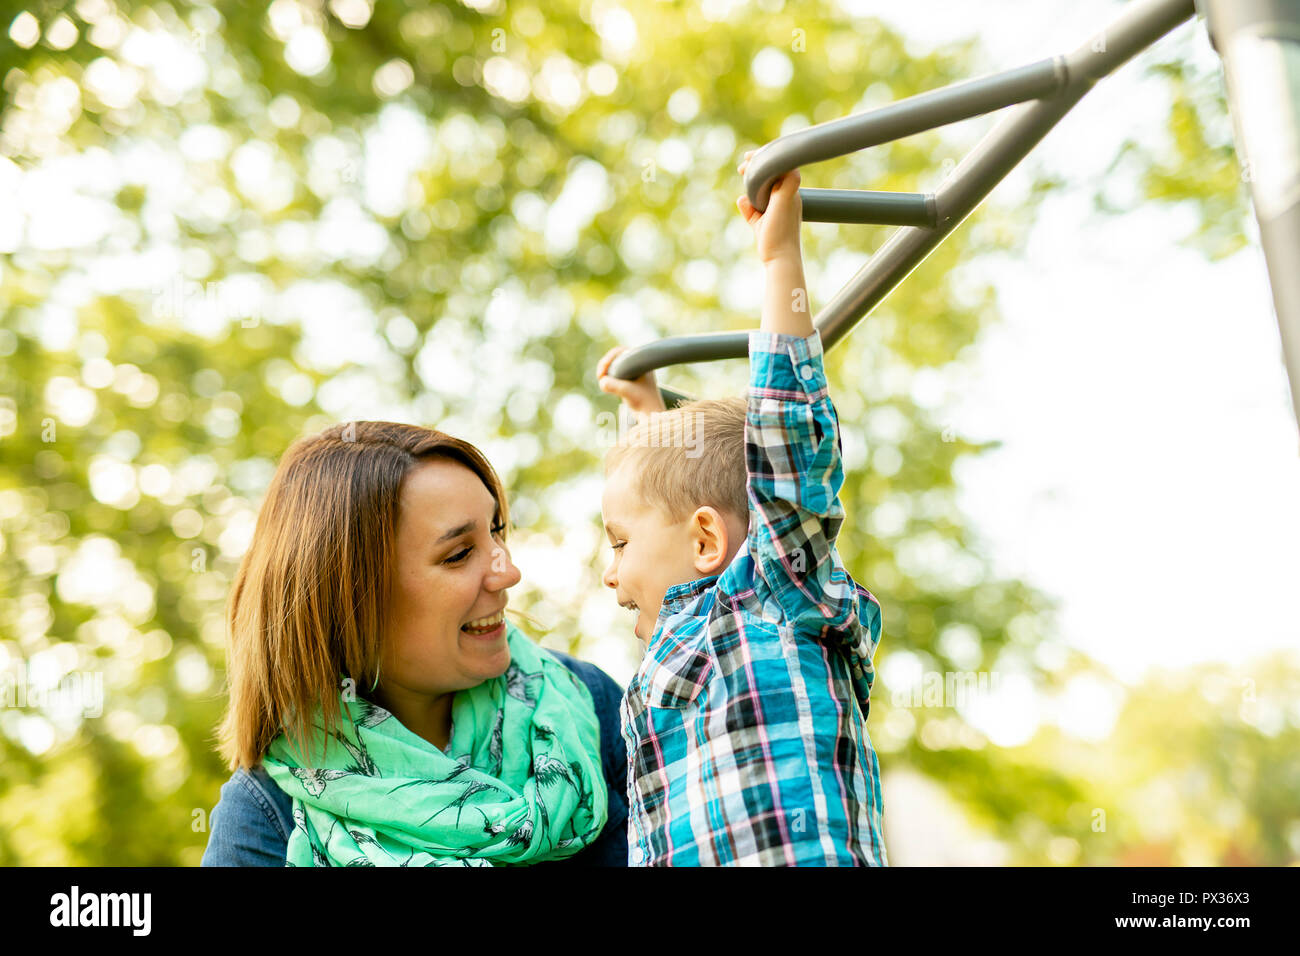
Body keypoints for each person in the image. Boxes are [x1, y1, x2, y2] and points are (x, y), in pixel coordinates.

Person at [594, 156, 887, 865]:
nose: (609, 574)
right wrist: (650, 417)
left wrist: (780, 259)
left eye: (619, 544)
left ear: (704, 542)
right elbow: (680, 493)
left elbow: (786, 449)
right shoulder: (678, 648)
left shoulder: (772, 595)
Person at [201, 422, 628, 866]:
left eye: (497, 531)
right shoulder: (263, 819)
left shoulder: (586, 703)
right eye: (459, 553)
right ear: (349, 601)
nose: (508, 572)